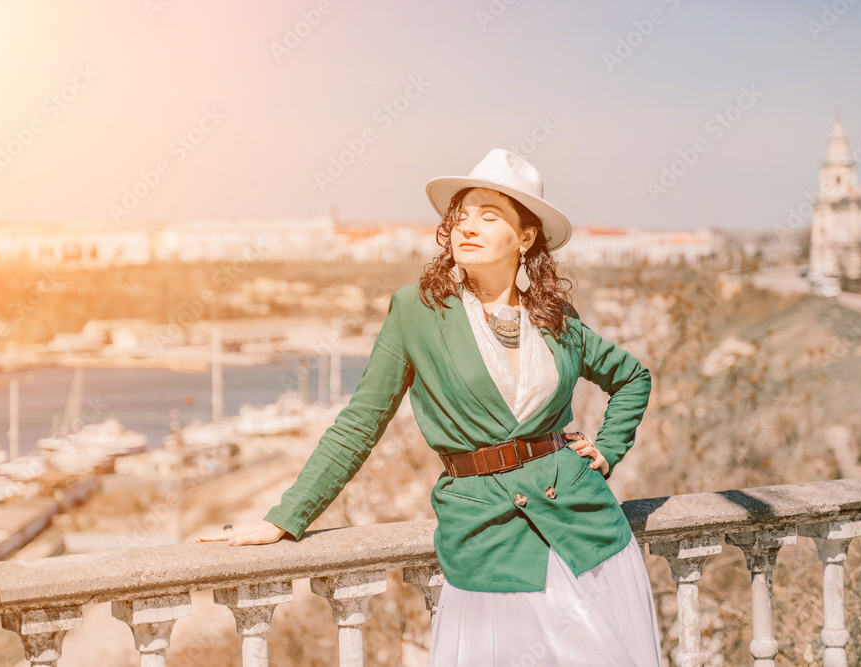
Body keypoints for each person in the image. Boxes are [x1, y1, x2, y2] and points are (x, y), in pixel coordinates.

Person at [197, 148, 662, 665]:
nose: (469, 226)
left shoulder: (555, 318)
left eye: (490, 216)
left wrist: (607, 451)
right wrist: (286, 517)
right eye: (461, 215)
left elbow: (633, 377)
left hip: (586, 531)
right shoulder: (416, 311)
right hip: (487, 539)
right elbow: (361, 423)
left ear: (525, 237)